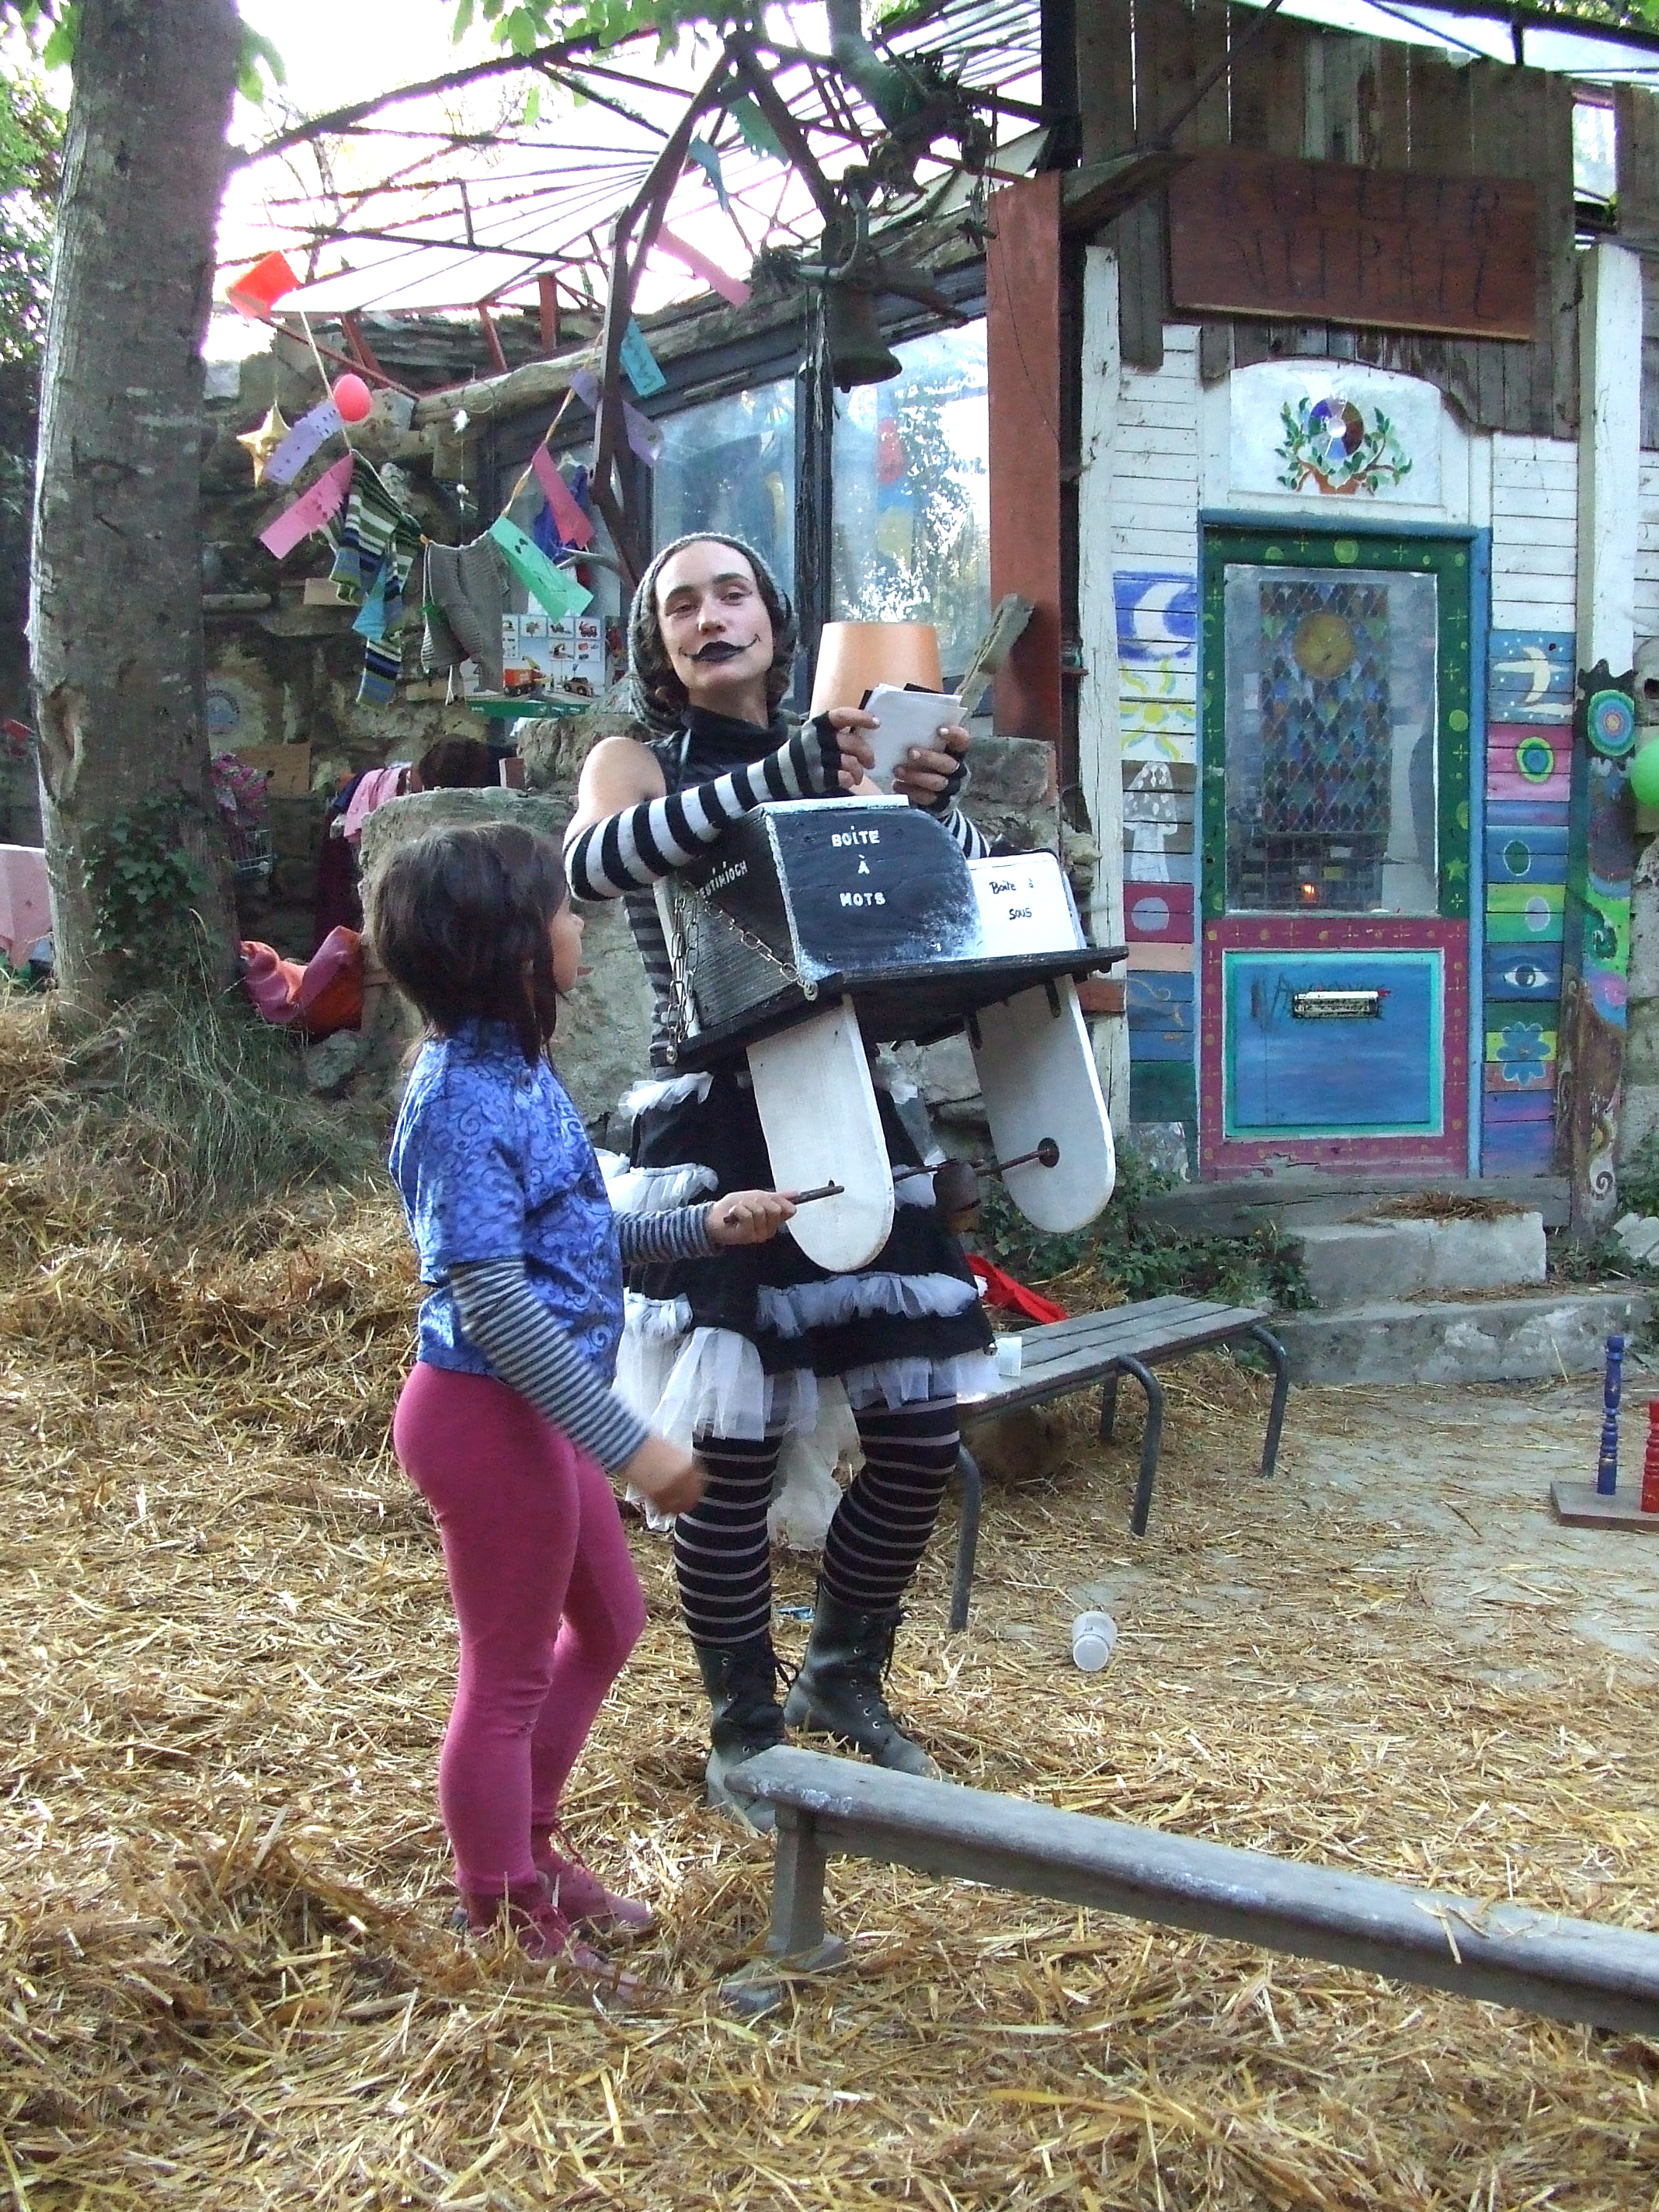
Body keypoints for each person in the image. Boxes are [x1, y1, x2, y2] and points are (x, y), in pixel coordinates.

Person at [562, 534, 997, 1827]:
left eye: (732, 593)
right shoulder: (634, 758)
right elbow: (593, 863)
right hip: (714, 1120)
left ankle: (841, 1679)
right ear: (657, 641)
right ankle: (743, 1733)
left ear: (773, 617)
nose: (710, 616)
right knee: (731, 1452)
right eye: (681, 603)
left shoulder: (840, 752)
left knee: (920, 1431)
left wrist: (932, 804)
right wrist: (790, 773)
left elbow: (953, 898)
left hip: (850, 1107)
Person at [365, 819, 795, 1967]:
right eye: (564, 911)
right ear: (512, 946)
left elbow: (571, 1243)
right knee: (506, 1677)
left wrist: (702, 1228)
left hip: (541, 1414)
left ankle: (532, 1846)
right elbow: (496, 1303)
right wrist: (628, 1444)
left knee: (609, 1622)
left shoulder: (518, 1074)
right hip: (489, 1417)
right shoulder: (459, 1100)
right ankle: (505, 1908)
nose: (580, 928)